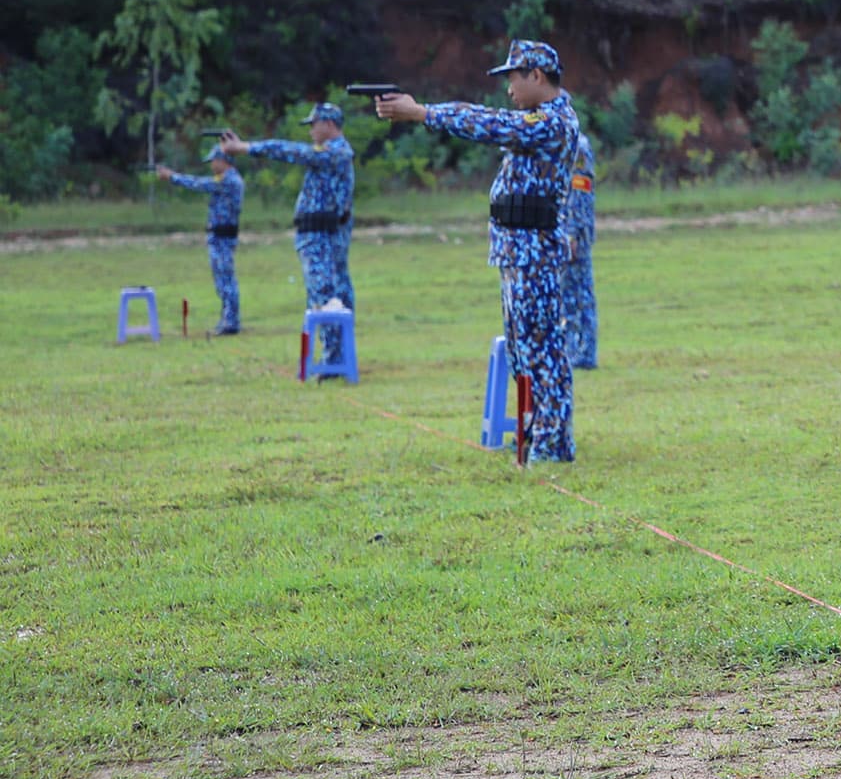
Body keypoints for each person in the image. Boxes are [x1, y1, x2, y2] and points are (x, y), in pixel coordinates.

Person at [373, 41, 581, 465]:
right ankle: (536, 434)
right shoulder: (540, 118)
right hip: (518, 250)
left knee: (541, 348)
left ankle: (553, 444)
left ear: (536, 75)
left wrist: (423, 113)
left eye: (513, 78)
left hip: (534, 251)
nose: (509, 88)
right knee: (524, 350)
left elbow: (490, 123)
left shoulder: (552, 121)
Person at [221, 103, 356, 364]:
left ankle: (335, 360)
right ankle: (338, 356)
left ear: (328, 124)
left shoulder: (336, 152)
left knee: (326, 296)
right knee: (329, 293)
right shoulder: (334, 153)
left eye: (313, 125)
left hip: (320, 236)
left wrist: (246, 147)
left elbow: (290, 151)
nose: (310, 131)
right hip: (319, 233)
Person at [157, 145, 245, 335]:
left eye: (214, 161)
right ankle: (228, 318)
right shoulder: (228, 179)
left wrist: (172, 177)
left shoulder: (229, 180)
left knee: (225, 279)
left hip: (223, 236)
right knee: (223, 278)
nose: (212, 166)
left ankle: (231, 321)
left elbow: (199, 184)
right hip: (221, 235)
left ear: (223, 160)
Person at [562, 130, 598, 370]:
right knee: (568, 293)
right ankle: (573, 348)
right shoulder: (564, 141)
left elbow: (580, 194)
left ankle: (583, 351)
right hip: (566, 231)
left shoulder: (578, 147)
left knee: (579, 294)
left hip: (574, 234)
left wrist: (572, 234)